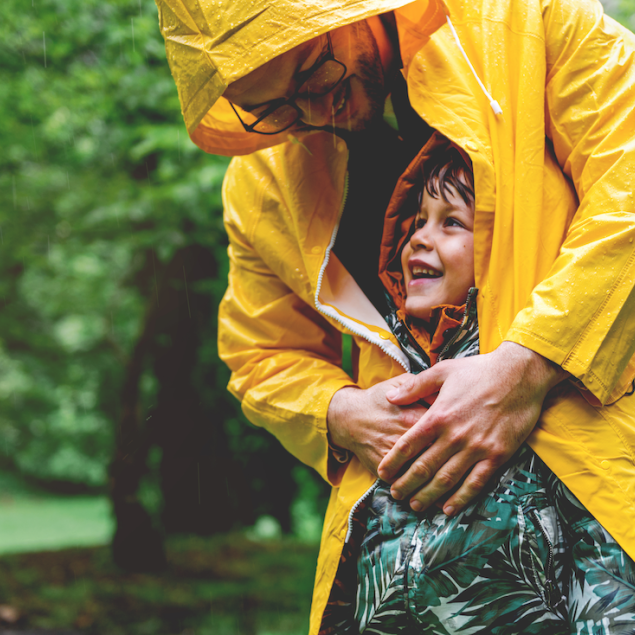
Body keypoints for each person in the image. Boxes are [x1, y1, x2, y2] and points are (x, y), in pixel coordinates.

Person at [154, 0, 635, 632]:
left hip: (597, 519)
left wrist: (530, 365)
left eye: (313, 75)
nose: (313, 113)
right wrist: (340, 412)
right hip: (393, 568)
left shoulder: (525, 21)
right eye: (272, 110)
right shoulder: (262, 186)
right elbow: (260, 354)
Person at [322, 135, 635, 633]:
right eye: (418, 220)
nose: (420, 238)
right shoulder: (389, 384)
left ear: (498, 247)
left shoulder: (540, 396)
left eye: (451, 223)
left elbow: (606, 578)